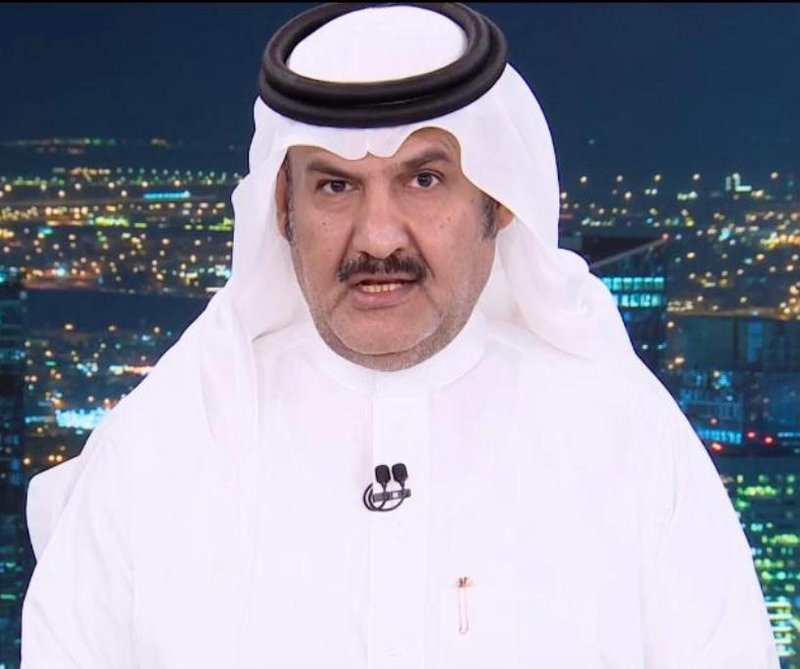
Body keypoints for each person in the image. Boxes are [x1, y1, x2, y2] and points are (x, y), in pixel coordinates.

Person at [21, 4, 780, 668]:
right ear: (284, 207)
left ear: (496, 199)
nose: (378, 236)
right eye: (335, 185)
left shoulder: (626, 445)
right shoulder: (160, 454)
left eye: (424, 179)